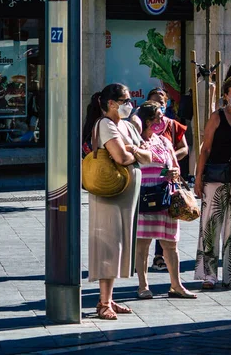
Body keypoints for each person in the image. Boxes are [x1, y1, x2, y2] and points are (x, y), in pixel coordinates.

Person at [84, 83, 152, 320]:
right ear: (110, 103)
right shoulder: (105, 124)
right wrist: (134, 151)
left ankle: (110, 298)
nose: (129, 104)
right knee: (108, 244)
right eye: (124, 100)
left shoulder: (128, 125)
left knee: (120, 244)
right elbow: (122, 157)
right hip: (110, 194)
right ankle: (103, 303)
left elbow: (149, 154)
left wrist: (133, 149)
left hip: (126, 195)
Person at [194, 74, 231, 290]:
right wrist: (198, 177)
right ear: (226, 96)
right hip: (215, 178)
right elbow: (206, 148)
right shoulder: (217, 116)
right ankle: (209, 275)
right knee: (210, 226)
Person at [134, 101, 197, 299]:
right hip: (145, 198)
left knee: (171, 244)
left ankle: (176, 285)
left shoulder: (164, 141)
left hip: (166, 199)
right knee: (142, 244)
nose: (162, 120)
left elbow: (175, 165)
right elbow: (136, 167)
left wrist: (174, 171)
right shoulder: (137, 143)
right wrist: (164, 171)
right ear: (147, 120)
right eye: (158, 117)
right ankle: (143, 286)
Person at [144, 88, 189, 272]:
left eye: (162, 103)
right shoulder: (138, 126)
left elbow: (184, 148)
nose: (160, 106)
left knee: (165, 219)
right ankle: (142, 262)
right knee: (147, 221)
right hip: (147, 183)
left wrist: (170, 159)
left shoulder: (172, 125)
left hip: (167, 181)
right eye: (155, 102)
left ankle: (160, 256)